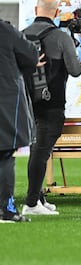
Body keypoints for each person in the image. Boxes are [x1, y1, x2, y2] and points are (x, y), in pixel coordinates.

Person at [21, 0, 81, 216]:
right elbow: (75, 70)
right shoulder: (61, 37)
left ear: (35, 9)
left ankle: (38, 197)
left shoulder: (21, 36)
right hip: (52, 103)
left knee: (36, 150)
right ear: (57, 13)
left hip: (26, 105)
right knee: (41, 152)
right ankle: (31, 203)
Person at [0, 20, 38, 222]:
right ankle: (6, 210)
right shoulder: (5, 30)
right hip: (5, 99)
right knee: (5, 154)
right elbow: (31, 56)